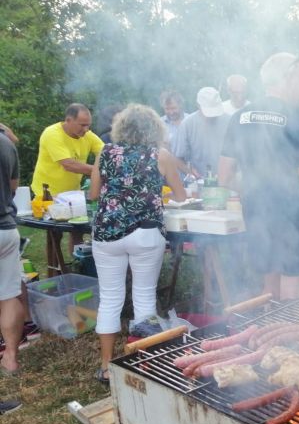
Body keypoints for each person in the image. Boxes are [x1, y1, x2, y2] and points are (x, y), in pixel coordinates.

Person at [89, 104, 185, 383]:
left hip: (107, 233)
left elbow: (94, 194)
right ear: (155, 129)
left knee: (110, 299)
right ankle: (146, 366)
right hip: (145, 234)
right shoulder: (161, 155)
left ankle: (107, 367)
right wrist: (156, 193)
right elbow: (179, 195)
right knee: (143, 296)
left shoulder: (105, 152)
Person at [219, 52, 299, 301]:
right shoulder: (296, 119)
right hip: (294, 217)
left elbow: (224, 177)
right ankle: (291, 340)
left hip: (256, 213)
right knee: (292, 282)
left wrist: (255, 188)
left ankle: (270, 339)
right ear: (287, 79)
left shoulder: (240, 117)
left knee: (269, 283)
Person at [31, 103, 104, 256]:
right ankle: (56, 271)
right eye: (82, 125)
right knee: (54, 234)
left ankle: (77, 264)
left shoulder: (87, 136)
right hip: (48, 193)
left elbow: (107, 153)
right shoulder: (52, 134)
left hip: (72, 194)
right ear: (68, 120)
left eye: (88, 126)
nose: (86, 129)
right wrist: (98, 171)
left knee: (77, 229)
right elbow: (69, 164)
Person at [0, 129, 24, 376]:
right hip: (5, 230)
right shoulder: (6, 143)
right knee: (8, 295)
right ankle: (11, 358)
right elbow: (13, 186)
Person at [171, 87, 230, 178]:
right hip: (199, 181)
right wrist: (189, 170)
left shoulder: (229, 121)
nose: (212, 116)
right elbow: (177, 158)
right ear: (198, 105)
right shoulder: (187, 124)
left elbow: (240, 153)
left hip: (227, 180)